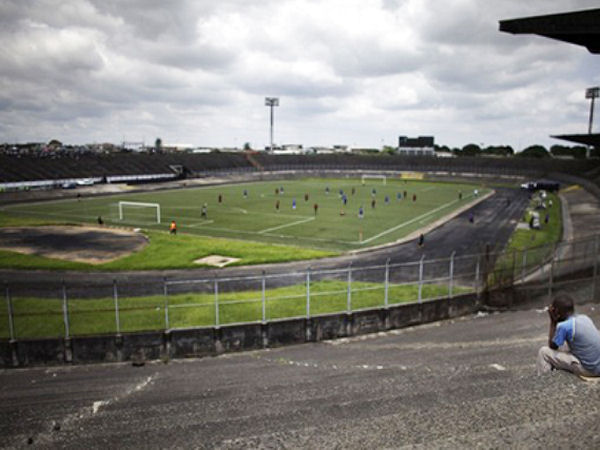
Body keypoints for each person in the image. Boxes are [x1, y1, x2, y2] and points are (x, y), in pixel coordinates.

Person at [537, 294, 600, 377]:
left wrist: (553, 321)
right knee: (566, 347)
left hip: (589, 370)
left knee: (544, 352)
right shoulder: (584, 318)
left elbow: (553, 346)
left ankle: (544, 379)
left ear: (556, 311)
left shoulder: (564, 326)